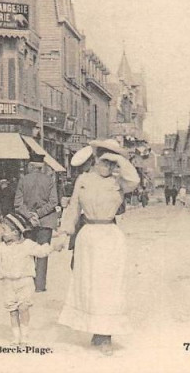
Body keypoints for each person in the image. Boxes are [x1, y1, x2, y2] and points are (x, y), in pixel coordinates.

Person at [58, 139, 139, 356]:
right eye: (102, 160)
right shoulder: (83, 180)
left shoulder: (119, 182)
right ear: (94, 160)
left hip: (110, 238)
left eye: (110, 162)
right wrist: (64, 233)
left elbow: (134, 180)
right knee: (88, 285)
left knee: (108, 287)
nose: (107, 166)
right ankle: (95, 329)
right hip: (87, 237)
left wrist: (119, 159)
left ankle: (106, 336)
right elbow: (74, 207)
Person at [0, 212, 63, 344]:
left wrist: (53, 247)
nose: (2, 233)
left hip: (25, 281)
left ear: (16, 232)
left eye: (4, 230)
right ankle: (15, 336)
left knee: (23, 308)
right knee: (12, 311)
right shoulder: (0, 248)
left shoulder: (28, 244)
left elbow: (41, 251)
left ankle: (24, 335)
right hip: (8, 283)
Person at [14, 154, 59, 293]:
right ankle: (40, 286)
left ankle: (28, 284)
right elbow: (53, 202)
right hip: (45, 221)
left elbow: (17, 204)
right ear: (42, 167)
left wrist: (30, 215)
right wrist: (38, 214)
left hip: (27, 222)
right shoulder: (49, 180)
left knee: (28, 252)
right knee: (43, 253)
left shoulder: (23, 181)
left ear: (31, 166)